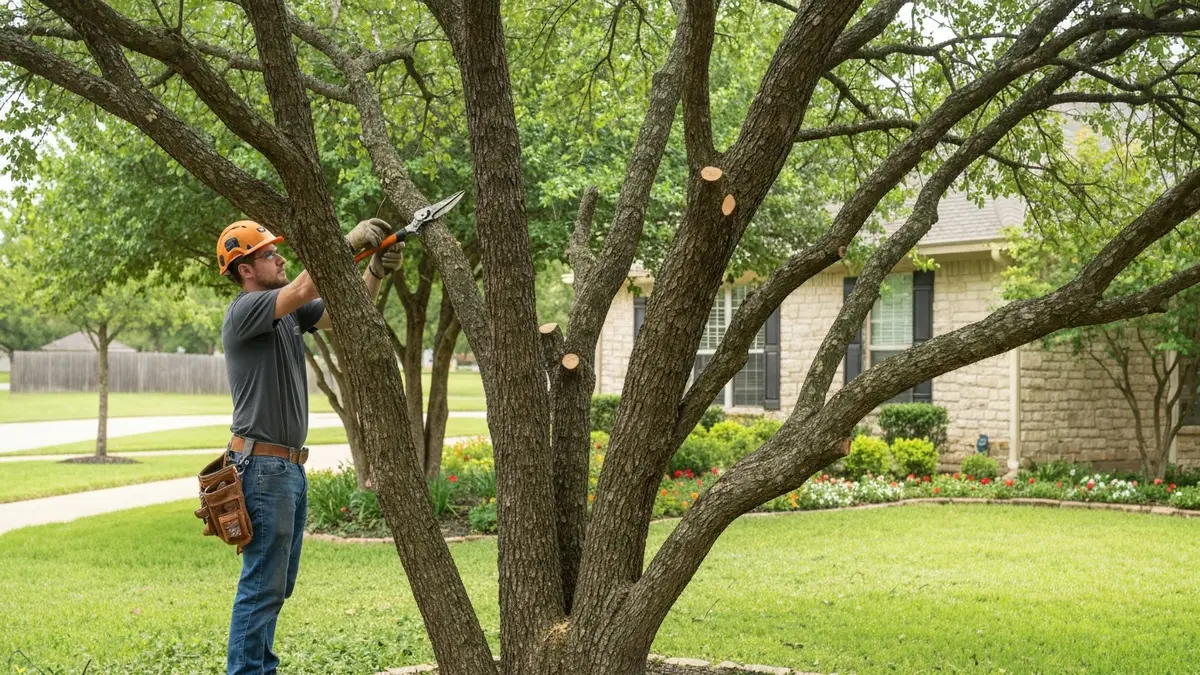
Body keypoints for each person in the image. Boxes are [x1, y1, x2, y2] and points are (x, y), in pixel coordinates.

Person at [215, 217, 401, 675]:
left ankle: (262, 668)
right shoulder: (246, 311)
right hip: (262, 469)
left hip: (287, 470)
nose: (279, 258)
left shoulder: (285, 314)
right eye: (268, 254)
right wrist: (347, 243)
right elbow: (301, 288)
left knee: (277, 586)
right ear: (245, 270)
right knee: (262, 585)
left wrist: (374, 270)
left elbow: (340, 315)